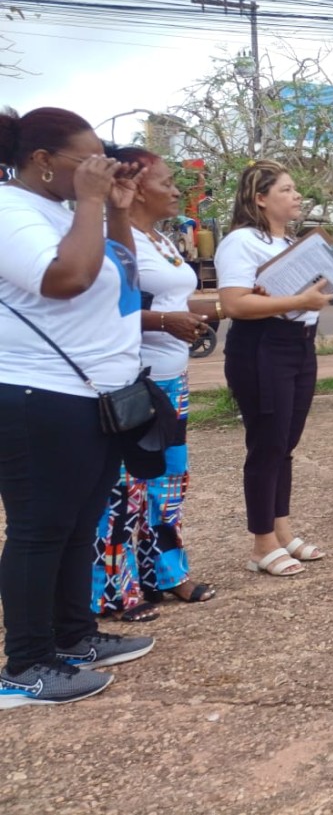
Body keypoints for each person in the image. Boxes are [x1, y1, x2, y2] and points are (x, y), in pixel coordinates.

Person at [0, 107, 154, 707]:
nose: (99, 168)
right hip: (38, 396)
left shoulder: (64, 212)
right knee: (40, 530)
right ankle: (27, 664)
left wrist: (113, 208)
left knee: (77, 525)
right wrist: (91, 204)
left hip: (94, 396)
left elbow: (120, 276)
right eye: (86, 160)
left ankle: (74, 636)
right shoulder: (11, 212)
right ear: (42, 163)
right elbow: (64, 278)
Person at [92, 146, 218, 623]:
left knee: (169, 482)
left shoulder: (161, 239)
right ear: (137, 186)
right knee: (126, 490)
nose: (175, 190)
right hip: (134, 381)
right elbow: (110, 305)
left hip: (172, 376)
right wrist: (165, 320)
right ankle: (114, 587)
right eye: (166, 181)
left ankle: (165, 573)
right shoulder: (112, 237)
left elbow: (176, 297)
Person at [219, 160, 333, 576]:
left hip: (298, 345)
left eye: (296, 190)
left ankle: (282, 531)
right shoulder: (241, 242)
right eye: (286, 190)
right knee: (267, 443)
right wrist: (297, 302)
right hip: (262, 347)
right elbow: (236, 303)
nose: (296, 197)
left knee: (285, 443)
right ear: (260, 198)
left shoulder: (287, 243)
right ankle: (260, 544)